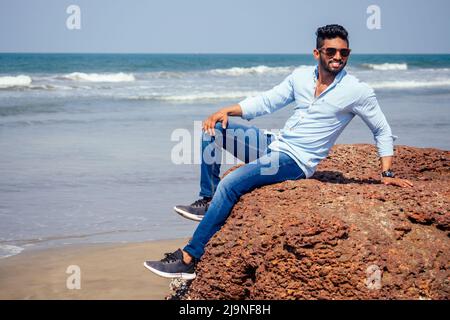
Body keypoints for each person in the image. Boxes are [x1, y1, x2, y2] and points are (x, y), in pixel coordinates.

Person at [143, 24, 414, 280]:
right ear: (317, 53)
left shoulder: (357, 91)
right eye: (331, 51)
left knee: (231, 184)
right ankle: (207, 199)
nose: (337, 57)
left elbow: (382, 130)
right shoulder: (300, 77)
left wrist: (386, 172)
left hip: (295, 161)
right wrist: (226, 110)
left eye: (343, 52)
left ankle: (189, 259)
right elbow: (266, 102)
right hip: (272, 144)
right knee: (211, 129)